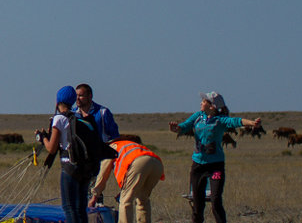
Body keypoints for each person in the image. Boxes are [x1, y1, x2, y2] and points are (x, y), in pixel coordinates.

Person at [169, 91, 260, 223]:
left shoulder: (220, 120)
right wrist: (175, 128)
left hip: (215, 167)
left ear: (212, 106)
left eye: (204, 101)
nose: (201, 102)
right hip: (198, 166)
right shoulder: (198, 116)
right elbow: (183, 126)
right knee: (197, 202)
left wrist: (252, 123)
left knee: (216, 199)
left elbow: (236, 121)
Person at [36, 85, 113, 223]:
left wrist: (43, 138)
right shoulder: (78, 117)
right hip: (85, 169)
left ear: (58, 101)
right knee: (80, 207)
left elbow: (52, 148)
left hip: (69, 167)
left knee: (69, 207)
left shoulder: (59, 119)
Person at [90, 136, 166, 223]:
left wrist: (94, 196)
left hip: (139, 163)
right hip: (157, 164)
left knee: (125, 201)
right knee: (142, 199)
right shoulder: (129, 145)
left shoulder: (111, 147)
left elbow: (102, 175)